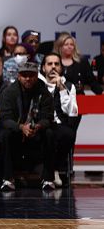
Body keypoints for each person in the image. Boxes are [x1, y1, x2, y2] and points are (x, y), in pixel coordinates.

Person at [0, 62, 55, 191]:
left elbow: (48, 117)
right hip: (17, 133)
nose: (28, 78)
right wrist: (21, 127)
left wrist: (38, 126)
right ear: (19, 76)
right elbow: (4, 119)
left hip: (36, 133)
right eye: (24, 75)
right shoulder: (9, 92)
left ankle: (48, 179)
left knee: (50, 133)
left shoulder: (43, 91)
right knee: (4, 134)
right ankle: (7, 179)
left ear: (37, 76)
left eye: (31, 75)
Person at [39, 53, 76, 187]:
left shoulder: (69, 86)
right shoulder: (37, 85)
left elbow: (72, 112)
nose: (53, 67)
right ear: (43, 68)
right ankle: (50, 172)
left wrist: (61, 89)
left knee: (68, 134)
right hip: (41, 124)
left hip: (60, 124)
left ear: (61, 67)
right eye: (50, 64)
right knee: (48, 133)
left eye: (57, 64)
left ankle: (54, 170)